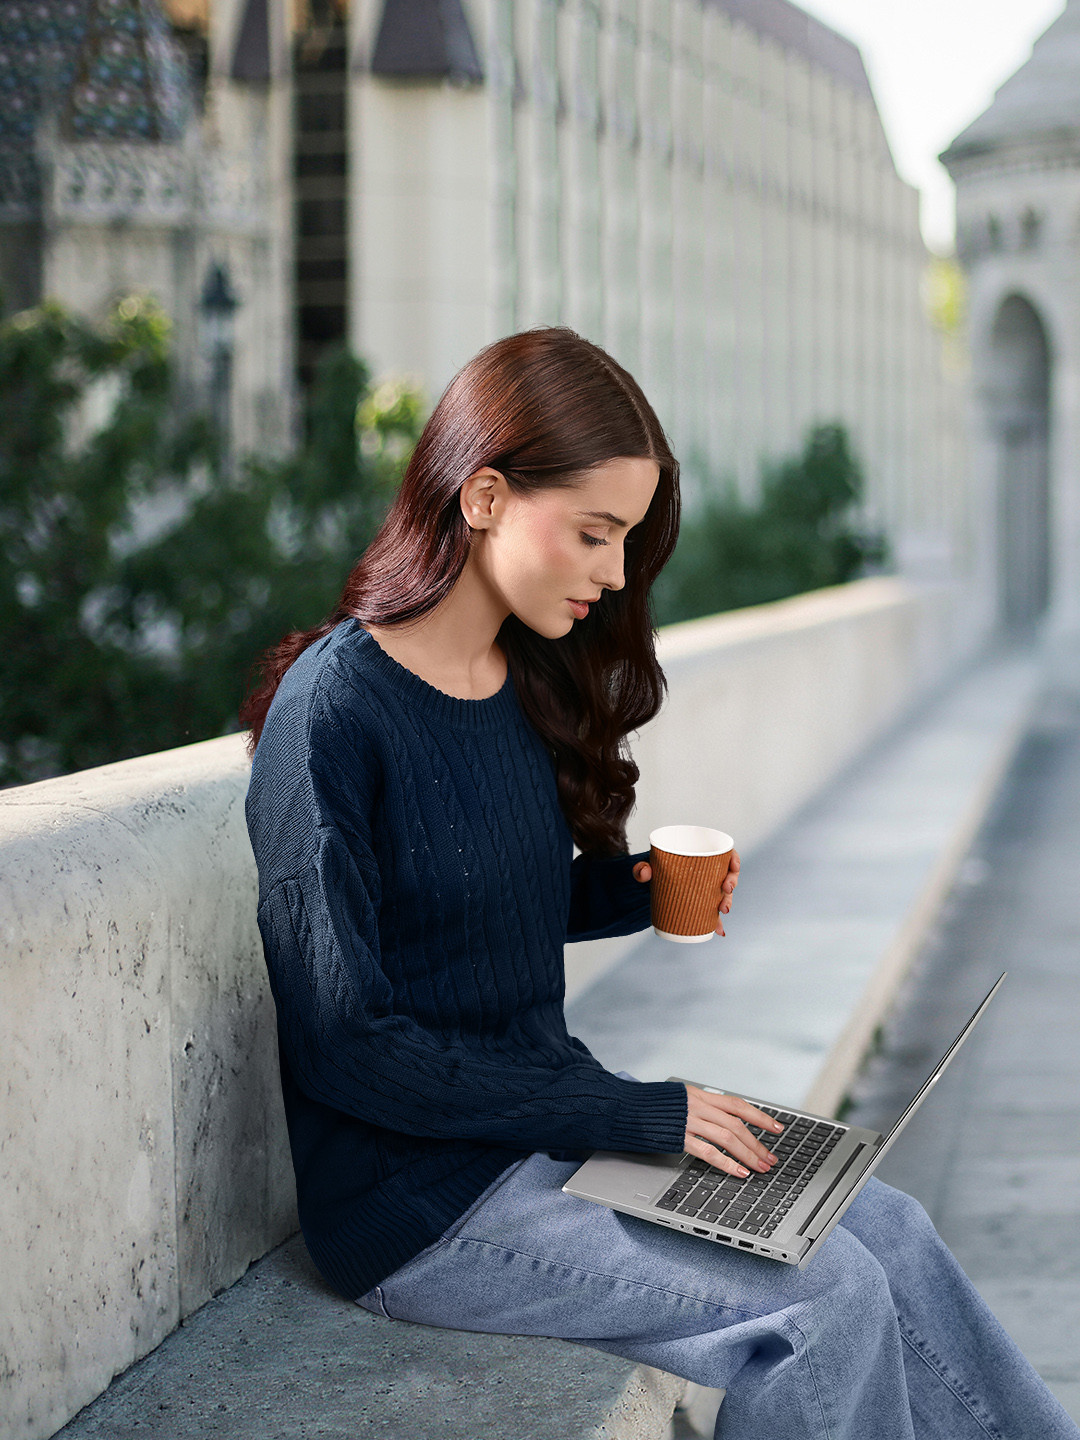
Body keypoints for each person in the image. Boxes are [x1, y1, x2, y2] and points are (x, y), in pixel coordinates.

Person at [242, 328, 1078, 1440]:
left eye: (627, 539)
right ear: (484, 495)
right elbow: (349, 1046)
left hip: (547, 1133)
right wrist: (642, 1114)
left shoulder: (513, 674)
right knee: (823, 1308)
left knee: (890, 1230)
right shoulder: (332, 714)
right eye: (595, 534)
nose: (615, 572)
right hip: (423, 1206)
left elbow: (478, 905)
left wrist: (631, 891)